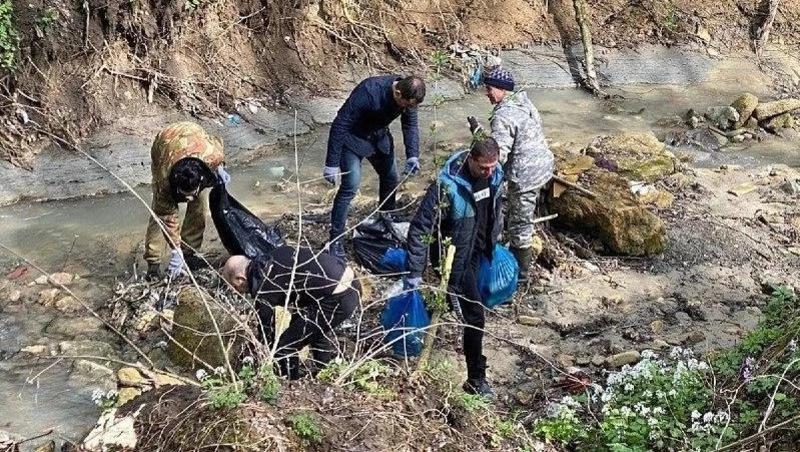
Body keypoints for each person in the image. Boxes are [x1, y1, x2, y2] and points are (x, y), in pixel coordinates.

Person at [404, 137, 504, 397]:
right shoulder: (447, 186)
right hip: (453, 260)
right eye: (484, 167)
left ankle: (430, 311)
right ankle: (475, 379)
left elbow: (494, 209)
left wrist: (495, 240)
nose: (489, 172)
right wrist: (414, 272)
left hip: (479, 251)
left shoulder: (495, 174)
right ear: (471, 159)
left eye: (493, 166)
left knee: (454, 303)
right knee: (474, 317)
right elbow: (420, 229)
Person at [323, 75, 426, 262]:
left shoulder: (410, 98)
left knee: (390, 177)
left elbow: (410, 125)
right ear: (397, 92)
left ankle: (386, 219)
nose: (408, 109)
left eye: (411, 106)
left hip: (379, 138)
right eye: (406, 105)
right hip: (353, 139)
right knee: (350, 187)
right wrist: (332, 162)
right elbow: (340, 123)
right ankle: (335, 239)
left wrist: (413, 155)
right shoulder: (369, 91)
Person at [221, 245, 360, 379]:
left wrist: (263, 356)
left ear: (241, 278)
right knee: (308, 327)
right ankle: (324, 372)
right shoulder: (273, 257)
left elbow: (266, 332)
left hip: (339, 295)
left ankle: (290, 384)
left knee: (285, 346)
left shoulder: (264, 287)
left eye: (234, 287)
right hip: (350, 282)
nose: (236, 292)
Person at [471, 66, 554, 284]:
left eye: (489, 89)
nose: (487, 93)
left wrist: (477, 162)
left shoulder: (503, 116)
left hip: (525, 174)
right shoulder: (523, 101)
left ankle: (521, 275)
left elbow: (498, 156)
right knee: (519, 213)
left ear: (502, 89)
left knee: (520, 224)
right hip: (544, 165)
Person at [144, 121, 230, 280]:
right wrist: (175, 251)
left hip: (193, 133)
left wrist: (220, 168)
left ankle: (189, 253)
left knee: (199, 205)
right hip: (165, 142)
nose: (188, 198)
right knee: (159, 214)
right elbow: (169, 220)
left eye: (191, 193)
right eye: (184, 194)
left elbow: (218, 146)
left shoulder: (211, 155)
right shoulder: (164, 182)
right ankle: (153, 263)